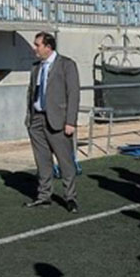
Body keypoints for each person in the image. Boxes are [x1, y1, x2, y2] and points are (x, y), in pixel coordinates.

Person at [23, 31, 80, 212]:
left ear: (48, 47)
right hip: (37, 119)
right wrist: (29, 118)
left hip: (58, 120)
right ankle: (44, 195)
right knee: (42, 161)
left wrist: (70, 121)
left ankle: (70, 197)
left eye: (37, 45)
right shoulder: (36, 67)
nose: (34, 48)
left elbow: (74, 94)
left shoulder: (66, 65)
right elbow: (31, 92)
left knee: (65, 161)